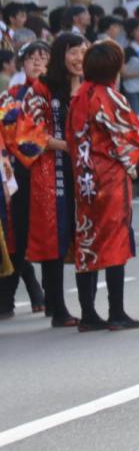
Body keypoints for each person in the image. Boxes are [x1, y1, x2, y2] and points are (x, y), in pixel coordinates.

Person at [67, 41, 139, 331]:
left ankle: (88, 314)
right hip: (110, 179)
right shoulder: (111, 97)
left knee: (87, 241)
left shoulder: (79, 97)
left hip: (84, 177)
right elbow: (128, 137)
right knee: (115, 243)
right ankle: (116, 312)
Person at [19, 33, 89, 327]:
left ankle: (90, 308)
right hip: (52, 171)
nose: (79, 58)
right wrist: (66, 145)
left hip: (83, 171)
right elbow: (27, 133)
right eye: (73, 52)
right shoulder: (41, 89)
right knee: (54, 238)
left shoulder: (89, 88)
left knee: (85, 234)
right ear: (61, 54)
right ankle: (57, 306)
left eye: (84, 52)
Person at [0, 43, 48, 318]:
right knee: (17, 232)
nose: (37, 62)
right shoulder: (13, 96)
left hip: (52, 170)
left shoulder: (58, 93)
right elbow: (8, 132)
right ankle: (15, 292)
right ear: (21, 64)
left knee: (50, 234)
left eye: (43, 57)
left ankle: (46, 295)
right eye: (31, 58)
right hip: (20, 171)